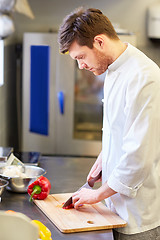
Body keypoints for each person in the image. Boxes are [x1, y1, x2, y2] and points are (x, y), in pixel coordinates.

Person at [58, 7, 160, 240]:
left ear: (99, 41)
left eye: (81, 57)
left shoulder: (145, 77)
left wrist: (97, 195)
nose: (81, 66)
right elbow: (122, 129)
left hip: (138, 217)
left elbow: (140, 157)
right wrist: (105, 157)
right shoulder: (113, 68)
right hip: (114, 207)